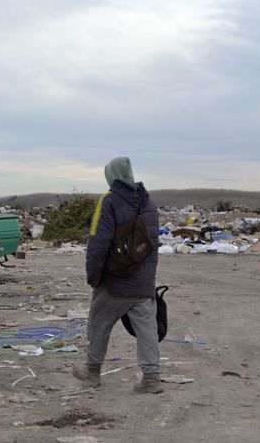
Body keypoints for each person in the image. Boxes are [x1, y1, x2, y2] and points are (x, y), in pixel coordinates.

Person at [73, 157, 162, 393]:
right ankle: (151, 378)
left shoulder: (109, 201)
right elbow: (153, 245)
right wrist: (148, 280)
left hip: (116, 282)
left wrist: (94, 277)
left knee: (99, 323)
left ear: (111, 175)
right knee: (146, 329)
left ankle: (92, 372)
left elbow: (98, 242)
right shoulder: (149, 204)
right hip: (143, 283)